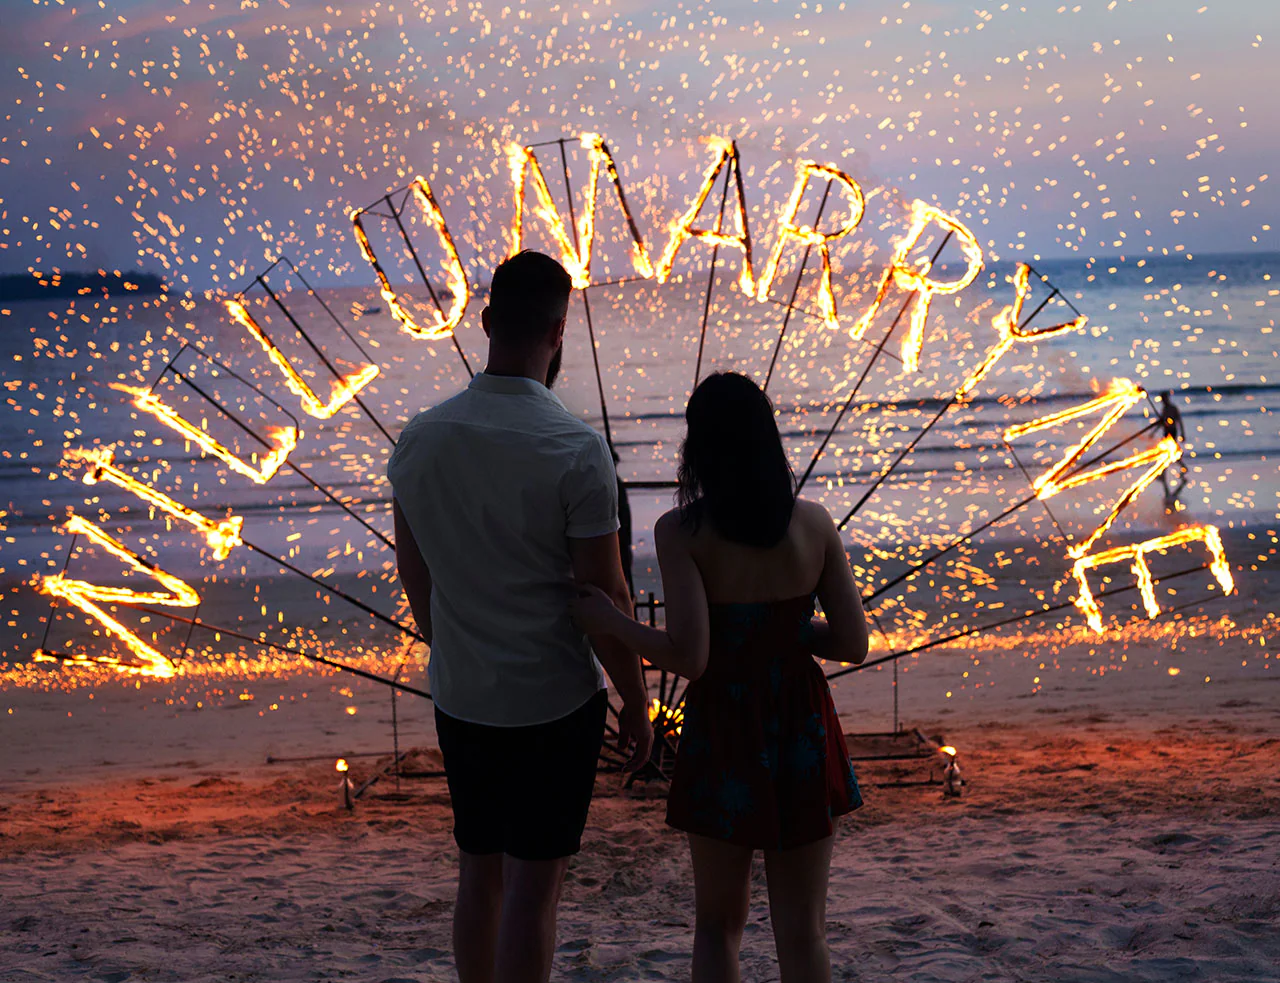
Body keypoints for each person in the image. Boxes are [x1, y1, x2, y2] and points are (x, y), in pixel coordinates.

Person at [388, 250, 653, 983]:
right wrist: (636, 698)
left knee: (479, 874)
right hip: (553, 699)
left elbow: (418, 575)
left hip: (464, 695)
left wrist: (454, 649)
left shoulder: (420, 440)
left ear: (485, 321)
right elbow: (607, 597)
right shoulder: (575, 449)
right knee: (535, 893)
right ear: (559, 331)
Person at [571, 371, 868, 983]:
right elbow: (854, 643)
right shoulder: (814, 524)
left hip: (727, 728)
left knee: (717, 925)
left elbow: (691, 656)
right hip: (800, 722)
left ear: (699, 448)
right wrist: (785, 634)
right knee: (803, 929)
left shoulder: (684, 532)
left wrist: (612, 622)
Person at [1158, 389, 1188, 508]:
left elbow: (1179, 421)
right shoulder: (1164, 409)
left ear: (1167, 398)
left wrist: (1183, 433)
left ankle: (1177, 469)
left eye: (1164, 399)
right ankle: (1179, 468)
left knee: (1170, 453)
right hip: (1166, 432)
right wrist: (1153, 432)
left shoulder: (1172, 408)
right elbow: (1161, 422)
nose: (1163, 401)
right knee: (1167, 453)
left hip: (1172, 431)